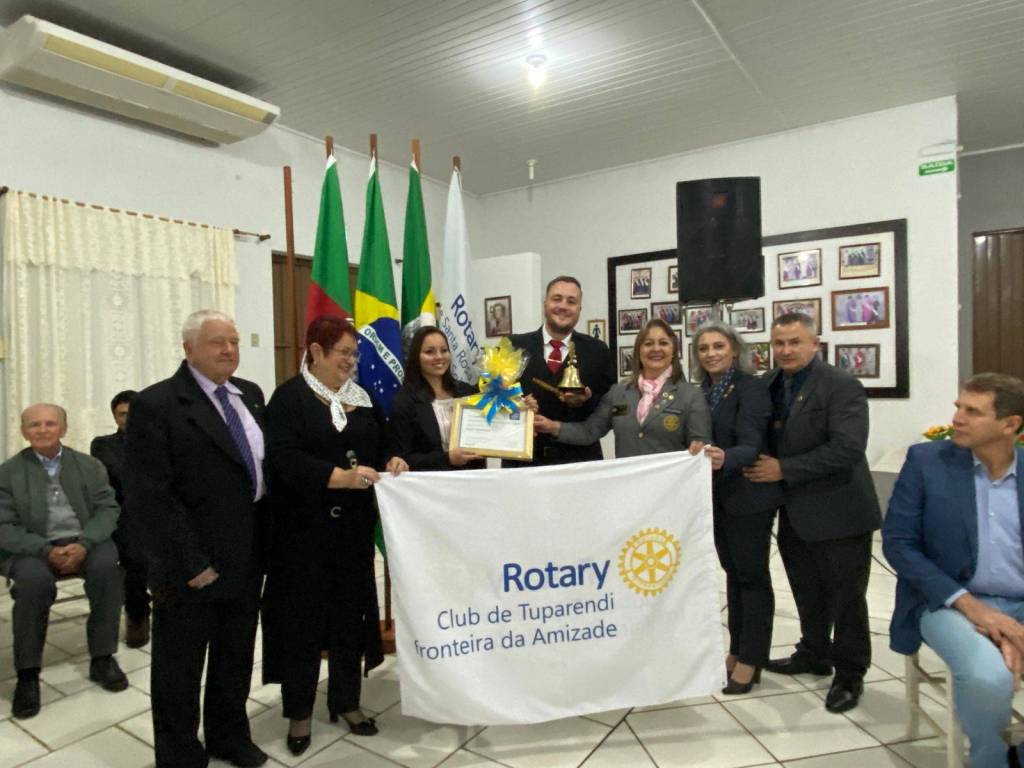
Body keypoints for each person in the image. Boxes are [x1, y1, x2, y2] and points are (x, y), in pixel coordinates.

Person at [126, 310, 269, 768]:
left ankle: (229, 737)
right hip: (191, 563)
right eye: (216, 342)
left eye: (234, 341)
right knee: (180, 668)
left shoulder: (250, 394)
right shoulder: (157, 404)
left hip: (247, 553)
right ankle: (180, 754)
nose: (229, 350)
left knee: (235, 655)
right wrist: (191, 563)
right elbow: (151, 496)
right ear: (188, 349)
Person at [261, 315, 408, 757]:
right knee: (303, 625)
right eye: (343, 352)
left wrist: (394, 458)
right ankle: (299, 712)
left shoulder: (362, 399)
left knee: (350, 620)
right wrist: (337, 478)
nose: (351, 361)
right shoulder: (288, 399)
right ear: (316, 352)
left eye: (354, 354)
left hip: (353, 533)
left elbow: (383, 444)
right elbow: (282, 459)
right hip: (303, 535)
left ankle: (346, 701)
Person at [884, 373, 1024, 768]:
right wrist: (974, 608)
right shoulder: (927, 462)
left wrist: (1014, 632)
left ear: (1010, 424)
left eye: (973, 412)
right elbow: (899, 543)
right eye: (958, 407)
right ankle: (990, 760)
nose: (957, 418)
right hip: (946, 601)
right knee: (989, 678)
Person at [744, 312, 880, 713]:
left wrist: (783, 469)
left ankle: (850, 673)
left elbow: (848, 448)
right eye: (779, 343)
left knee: (847, 599)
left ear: (815, 344)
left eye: (795, 342)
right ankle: (814, 653)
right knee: (806, 589)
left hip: (840, 510)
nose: (786, 350)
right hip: (794, 512)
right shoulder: (769, 383)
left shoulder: (841, 385)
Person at [0, 403, 128, 719]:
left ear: (63, 428)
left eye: (50, 423)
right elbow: (4, 526)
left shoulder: (89, 465)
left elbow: (108, 509)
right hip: (32, 547)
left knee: (108, 569)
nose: (42, 430)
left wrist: (85, 544)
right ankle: (28, 673)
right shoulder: (7, 473)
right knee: (33, 583)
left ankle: (102, 657)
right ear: (23, 431)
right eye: (34, 425)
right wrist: (45, 550)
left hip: (84, 541)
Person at [693, 322, 782, 696]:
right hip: (716, 497)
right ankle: (736, 650)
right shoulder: (702, 390)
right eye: (703, 348)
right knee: (733, 575)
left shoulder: (750, 387)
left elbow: (752, 443)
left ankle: (752, 659)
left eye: (718, 346)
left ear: (734, 349)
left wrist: (723, 457)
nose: (711, 353)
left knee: (752, 576)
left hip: (749, 495)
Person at [534, 318, 712, 457]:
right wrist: (551, 426)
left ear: (673, 351)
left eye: (664, 343)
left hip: (672, 488)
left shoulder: (692, 395)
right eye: (648, 343)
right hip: (629, 488)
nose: (656, 349)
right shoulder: (618, 392)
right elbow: (589, 431)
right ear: (639, 351)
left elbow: (701, 445)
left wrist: (700, 447)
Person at [505, 276, 615, 467]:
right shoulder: (512, 347)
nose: (563, 306)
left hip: (580, 463)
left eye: (571, 301)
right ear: (545, 304)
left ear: (579, 309)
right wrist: (516, 405)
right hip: (523, 464)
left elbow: (608, 409)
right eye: (557, 299)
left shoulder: (598, 351)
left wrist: (587, 399)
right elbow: (488, 398)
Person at [91, 389, 151, 648]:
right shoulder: (103, 444)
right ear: (115, 417)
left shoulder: (161, 439)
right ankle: (137, 613)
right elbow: (120, 476)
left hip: (161, 511)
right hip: (125, 514)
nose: (130, 419)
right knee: (135, 553)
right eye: (123, 414)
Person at [390, 326, 484, 471]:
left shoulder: (467, 392)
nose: (439, 356)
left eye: (444, 350)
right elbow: (403, 458)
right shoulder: (404, 402)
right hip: (430, 482)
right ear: (416, 357)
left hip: (472, 477)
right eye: (430, 352)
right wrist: (447, 459)